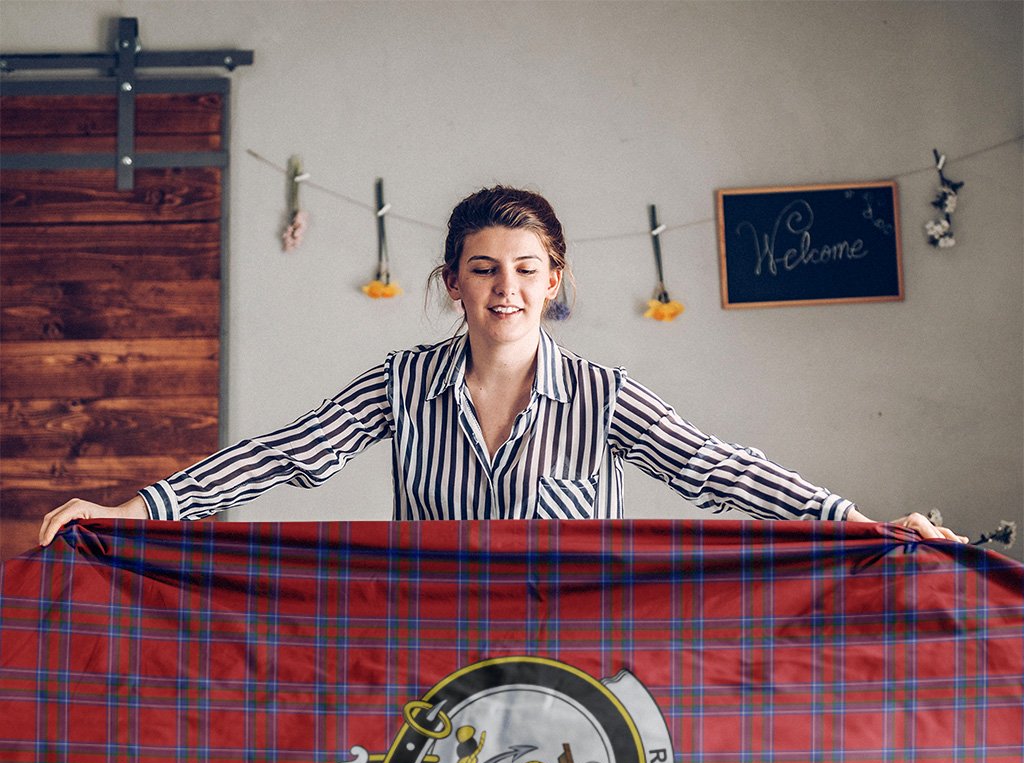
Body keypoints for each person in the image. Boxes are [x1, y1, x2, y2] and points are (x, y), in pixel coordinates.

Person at [39, 186, 967, 546]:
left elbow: (718, 467)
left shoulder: (604, 397)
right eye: (484, 270)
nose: (506, 289)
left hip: (580, 663)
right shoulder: (401, 382)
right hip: (431, 657)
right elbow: (283, 456)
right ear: (453, 283)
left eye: (527, 271)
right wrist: (134, 512)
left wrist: (857, 523)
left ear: (555, 281)